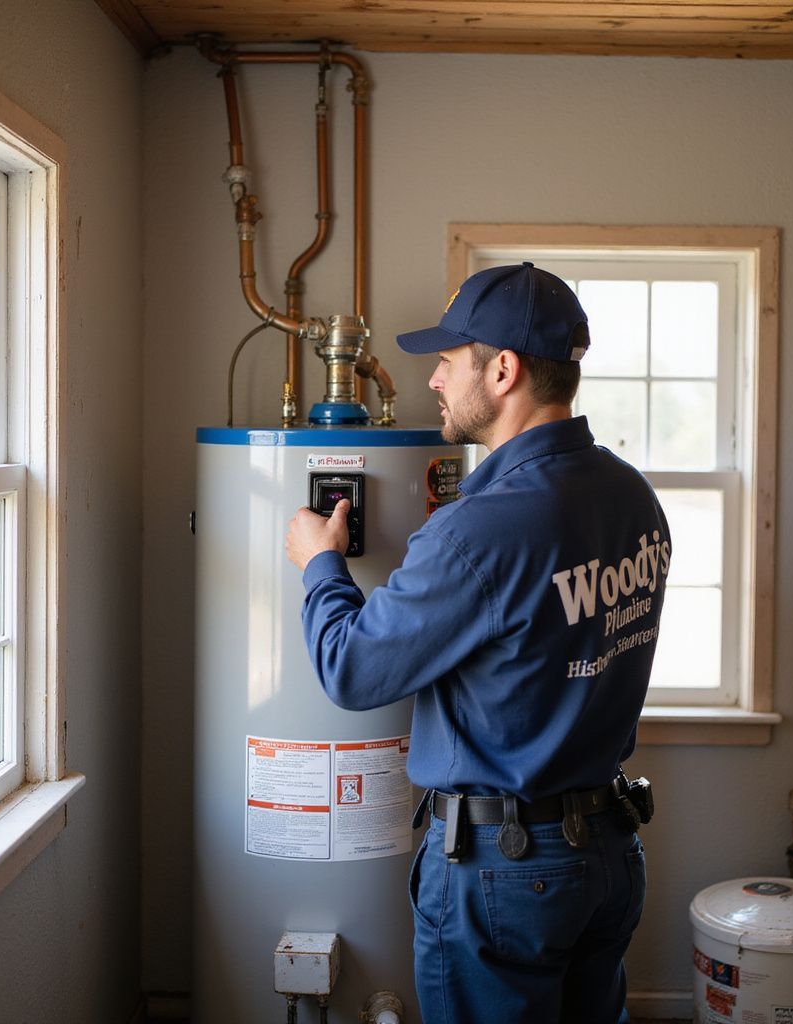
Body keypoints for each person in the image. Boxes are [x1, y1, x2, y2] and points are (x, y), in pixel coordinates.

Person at [285, 262, 671, 1024]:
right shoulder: (633, 495)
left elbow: (354, 670)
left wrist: (320, 563)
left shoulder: (479, 529)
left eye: (447, 360)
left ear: (503, 369)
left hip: (508, 872)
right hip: (607, 851)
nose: (432, 380)